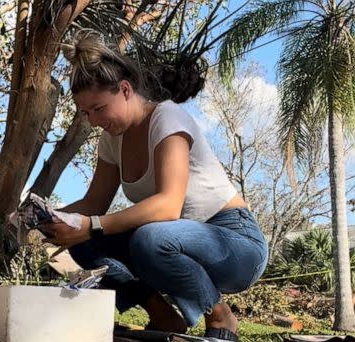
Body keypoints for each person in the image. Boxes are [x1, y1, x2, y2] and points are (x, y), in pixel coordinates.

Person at [41, 30, 268, 341]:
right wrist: (47, 219)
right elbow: (94, 204)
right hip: (171, 241)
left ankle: (220, 316)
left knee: (148, 236)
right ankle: (163, 316)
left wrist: (90, 224)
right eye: (85, 113)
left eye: (98, 109)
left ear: (124, 89)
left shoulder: (167, 118)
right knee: (82, 239)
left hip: (235, 243)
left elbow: (168, 205)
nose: (93, 120)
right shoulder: (111, 139)